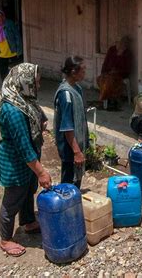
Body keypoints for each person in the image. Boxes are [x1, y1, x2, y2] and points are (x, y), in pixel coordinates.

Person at [0, 63, 52, 257]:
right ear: (24, 82)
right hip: (16, 162)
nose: (38, 85)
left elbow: (37, 114)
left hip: (28, 160)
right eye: (35, 82)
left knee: (28, 191)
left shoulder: (25, 99)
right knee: (13, 199)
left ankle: (28, 222)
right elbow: (23, 146)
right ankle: (5, 239)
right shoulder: (13, 110)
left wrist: (41, 121)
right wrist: (41, 171)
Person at [54, 56, 89, 189]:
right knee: (69, 182)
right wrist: (76, 152)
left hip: (77, 144)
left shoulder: (77, 89)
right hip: (70, 147)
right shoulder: (66, 94)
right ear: (74, 72)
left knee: (77, 179)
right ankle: (66, 207)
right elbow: (67, 127)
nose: (85, 73)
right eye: (83, 70)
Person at [97, 36, 133, 110]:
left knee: (110, 81)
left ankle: (106, 99)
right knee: (100, 79)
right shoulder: (112, 49)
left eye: (124, 43)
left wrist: (117, 71)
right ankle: (109, 99)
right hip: (108, 72)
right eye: (120, 42)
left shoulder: (127, 53)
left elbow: (127, 68)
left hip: (120, 74)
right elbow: (106, 62)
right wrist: (103, 72)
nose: (121, 45)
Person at [0, 9, 22, 81]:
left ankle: (15, 86)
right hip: (1, 53)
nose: (0, 18)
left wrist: (19, 50)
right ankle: (5, 87)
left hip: (12, 51)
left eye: (2, 16)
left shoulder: (9, 23)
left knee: (15, 72)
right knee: (3, 73)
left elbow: (17, 36)